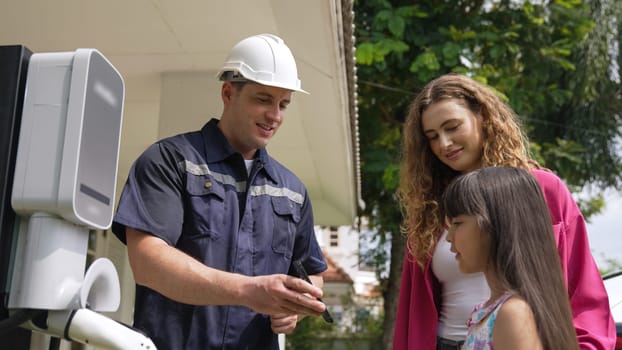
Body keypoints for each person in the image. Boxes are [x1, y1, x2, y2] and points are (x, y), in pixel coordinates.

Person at [111, 33, 328, 350]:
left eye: (283, 104)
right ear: (228, 92)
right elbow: (147, 263)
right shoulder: (171, 161)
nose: (275, 115)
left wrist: (295, 308)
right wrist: (247, 290)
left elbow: (313, 275)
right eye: (263, 99)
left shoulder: (292, 191)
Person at [393, 73, 615, 350]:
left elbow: (584, 291)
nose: (444, 143)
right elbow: (410, 312)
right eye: (432, 136)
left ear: (483, 116)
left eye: (452, 127)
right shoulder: (429, 207)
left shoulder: (543, 190)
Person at [442, 166, 579, 350]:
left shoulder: (513, 314)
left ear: (497, 227)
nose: (449, 236)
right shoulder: (492, 310)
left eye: (457, 223)